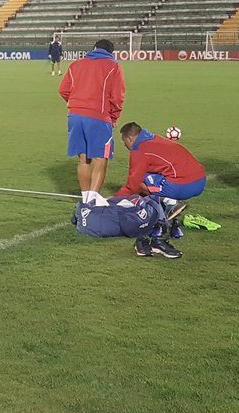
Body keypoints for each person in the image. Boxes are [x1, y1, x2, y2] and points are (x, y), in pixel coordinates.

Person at [59, 39, 126, 206]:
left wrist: (76, 103)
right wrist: (114, 117)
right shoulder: (113, 66)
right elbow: (118, 96)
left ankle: (85, 199)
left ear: (94, 48)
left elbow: (63, 90)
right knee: (100, 158)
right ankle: (93, 200)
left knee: (83, 159)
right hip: (98, 117)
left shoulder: (76, 64)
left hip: (74, 116)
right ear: (111, 53)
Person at [114, 122, 207, 238]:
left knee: (140, 180)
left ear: (129, 138)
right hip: (200, 180)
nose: (124, 144)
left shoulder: (139, 149)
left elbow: (133, 185)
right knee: (147, 176)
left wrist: (114, 200)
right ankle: (170, 218)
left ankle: (169, 205)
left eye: (124, 141)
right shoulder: (155, 138)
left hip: (184, 186)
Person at [72, 194, 183, 259]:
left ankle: (145, 240)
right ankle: (154, 240)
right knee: (150, 207)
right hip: (130, 218)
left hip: (93, 219)